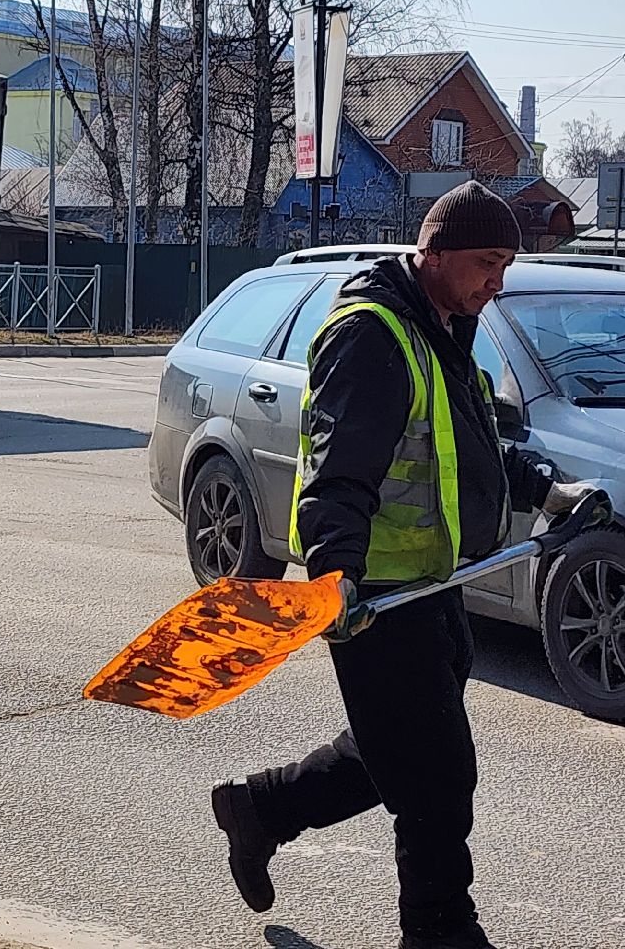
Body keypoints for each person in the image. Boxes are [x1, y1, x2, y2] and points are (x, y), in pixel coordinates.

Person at [209, 181, 595, 949]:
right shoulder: (373, 335)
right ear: (436, 254)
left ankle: (264, 809)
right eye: (488, 261)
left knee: (393, 753)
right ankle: (440, 933)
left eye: (507, 263)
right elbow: (337, 470)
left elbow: (468, 448)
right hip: (376, 597)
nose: (499, 280)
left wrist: (550, 492)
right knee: (440, 784)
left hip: (433, 587)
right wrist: (334, 577)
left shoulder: (443, 327)